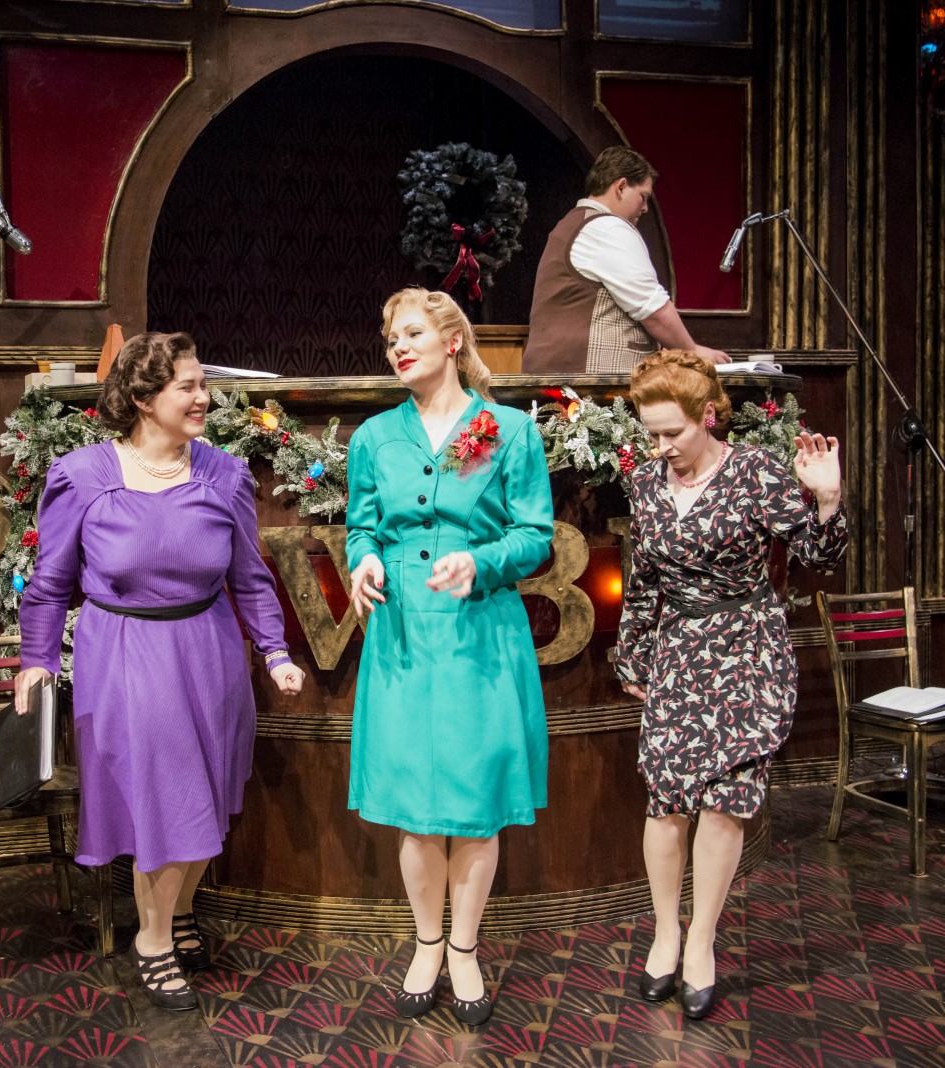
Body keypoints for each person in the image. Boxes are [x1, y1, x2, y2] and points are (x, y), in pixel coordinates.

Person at [15, 331, 304, 1010]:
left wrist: (275, 652)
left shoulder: (225, 475)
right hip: (124, 653)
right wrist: (35, 660)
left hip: (208, 649)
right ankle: (152, 939)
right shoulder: (83, 476)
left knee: (207, 793)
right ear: (144, 399)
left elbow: (250, 578)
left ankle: (176, 911)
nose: (205, 398)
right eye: (188, 388)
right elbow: (49, 584)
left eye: (204, 385)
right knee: (167, 799)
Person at [615, 350, 845, 1020]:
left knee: (725, 802)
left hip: (747, 647)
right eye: (651, 433)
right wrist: (634, 655)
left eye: (672, 432)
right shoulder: (646, 483)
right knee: (666, 799)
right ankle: (665, 931)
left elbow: (819, 557)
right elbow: (644, 580)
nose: (661, 446)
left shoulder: (754, 473)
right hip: (679, 650)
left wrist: (827, 499)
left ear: (707, 417)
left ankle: (702, 941)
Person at [346, 287, 553, 1027]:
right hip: (403, 633)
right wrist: (365, 560)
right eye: (390, 339)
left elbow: (536, 535)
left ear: (452, 342)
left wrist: (483, 562)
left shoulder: (510, 431)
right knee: (414, 804)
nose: (398, 348)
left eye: (411, 334)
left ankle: (465, 948)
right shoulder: (374, 437)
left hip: (479, 634)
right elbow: (362, 526)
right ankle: (426, 944)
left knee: (474, 803)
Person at [524, 146, 729, 373]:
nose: (645, 208)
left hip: (557, 371)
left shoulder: (570, 224)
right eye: (643, 196)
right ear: (621, 186)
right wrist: (692, 352)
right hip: (587, 380)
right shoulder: (608, 227)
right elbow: (654, 310)